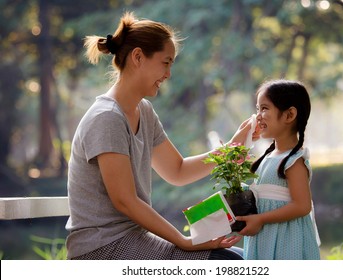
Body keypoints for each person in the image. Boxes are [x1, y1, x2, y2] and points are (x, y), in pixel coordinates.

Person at [65, 11, 253, 260]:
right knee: (229, 262)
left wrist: (230, 150)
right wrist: (183, 241)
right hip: (102, 250)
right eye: (165, 63)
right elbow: (125, 201)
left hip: (134, 239)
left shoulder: (144, 110)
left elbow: (177, 170)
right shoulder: (107, 118)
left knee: (238, 256)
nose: (168, 74)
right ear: (138, 57)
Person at [235, 79, 321, 260]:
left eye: (265, 108)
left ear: (289, 115)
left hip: (286, 240)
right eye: (258, 109)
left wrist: (261, 219)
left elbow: (302, 205)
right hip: (265, 237)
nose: (258, 116)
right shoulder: (268, 157)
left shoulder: (293, 161)